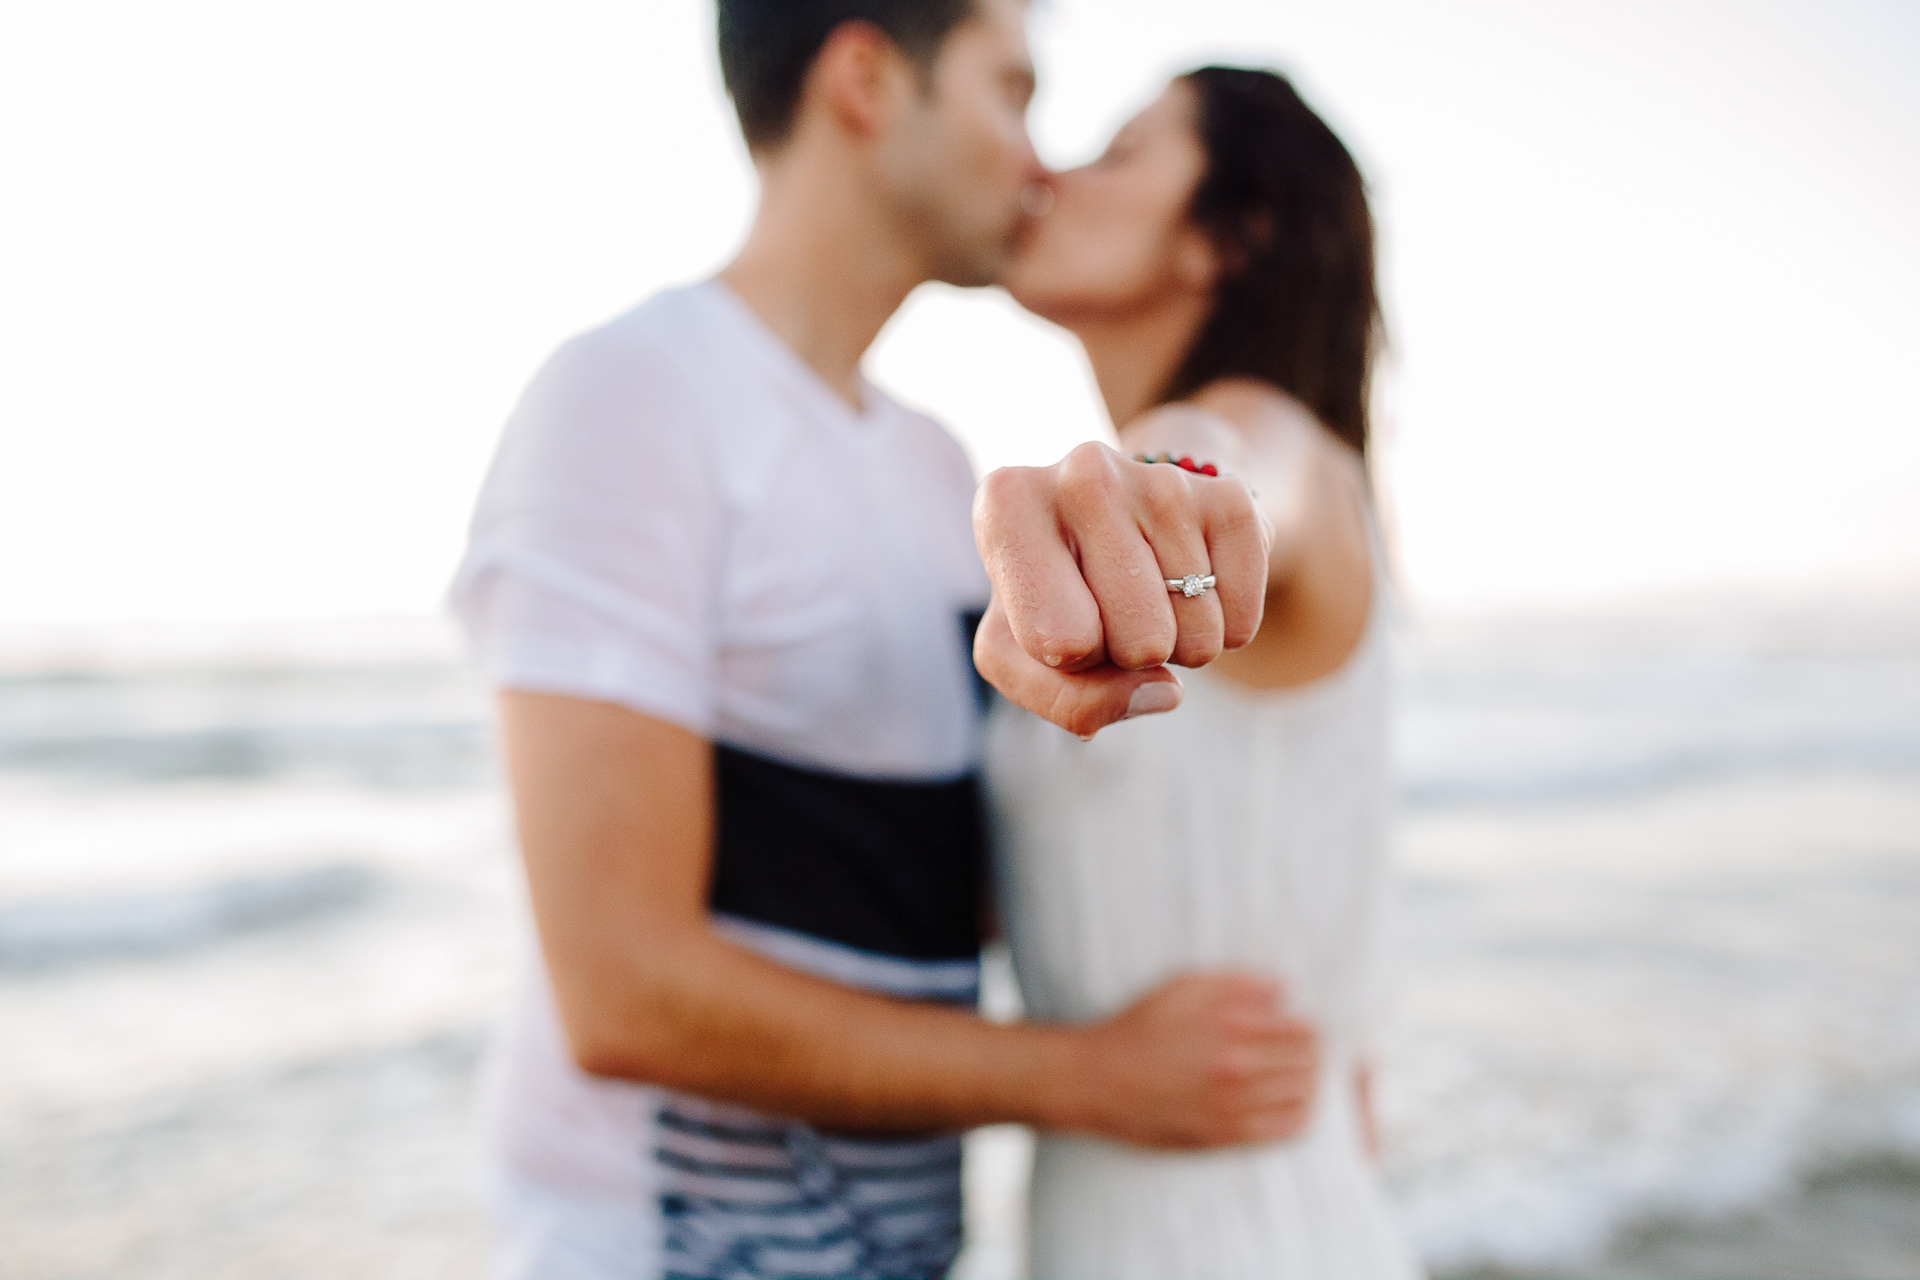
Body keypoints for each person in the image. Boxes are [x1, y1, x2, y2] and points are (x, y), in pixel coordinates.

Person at [450, 4, 1307, 1277]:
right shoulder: (634, 395)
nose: (1038, 161)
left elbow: (935, 882)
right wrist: (1092, 1076)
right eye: (1009, 93)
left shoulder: (930, 465)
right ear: (864, 80)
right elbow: (620, 988)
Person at [983, 68, 1424, 1278]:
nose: (1053, 174)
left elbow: (1239, 470)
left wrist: (1166, 479)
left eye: (1119, 153)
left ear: (1232, 234)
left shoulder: (1286, 464)